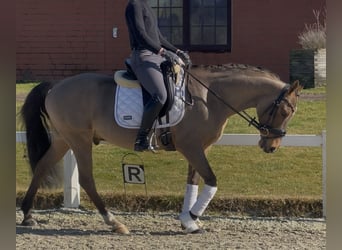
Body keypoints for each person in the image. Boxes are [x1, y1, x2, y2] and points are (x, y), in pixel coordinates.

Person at [125, 0, 190, 152]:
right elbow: (141, 35)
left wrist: (177, 51)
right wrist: (162, 52)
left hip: (155, 55)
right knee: (160, 95)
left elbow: (158, 37)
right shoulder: (134, 5)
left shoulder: (146, 5)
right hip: (142, 56)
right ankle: (141, 138)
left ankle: (166, 129)